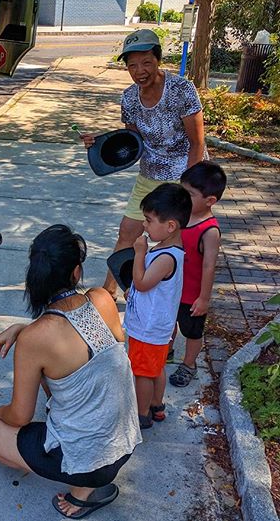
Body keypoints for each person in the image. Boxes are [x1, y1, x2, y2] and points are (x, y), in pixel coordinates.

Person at [0, 225, 141, 519]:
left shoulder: (36, 340)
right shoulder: (102, 299)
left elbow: (19, 416)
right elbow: (78, 343)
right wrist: (22, 329)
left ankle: (83, 488)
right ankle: (90, 480)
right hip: (125, 442)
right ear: (76, 272)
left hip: (91, 461)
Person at [81, 29, 205, 297]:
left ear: (158, 60)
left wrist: (189, 190)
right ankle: (109, 291)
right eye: (132, 65)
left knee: (174, 237)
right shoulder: (129, 98)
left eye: (146, 62)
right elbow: (133, 141)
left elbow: (197, 143)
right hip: (150, 172)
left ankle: (177, 295)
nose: (140, 71)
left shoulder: (181, 90)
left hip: (183, 171)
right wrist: (100, 142)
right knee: (128, 230)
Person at [123, 183, 191, 429]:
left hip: (148, 328)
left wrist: (139, 252)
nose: (144, 225)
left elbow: (142, 283)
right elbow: (148, 286)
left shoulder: (164, 257)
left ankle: (141, 415)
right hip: (159, 326)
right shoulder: (169, 250)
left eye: (149, 221)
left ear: (170, 225)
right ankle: (156, 405)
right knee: (155, 368)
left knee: (142, 372)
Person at [169, 161, 226, 387]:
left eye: (189, 194)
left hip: (192, 295)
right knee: (168, 322)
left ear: (210, 200)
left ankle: (189, 364)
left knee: (192, 331)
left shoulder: (209, 231)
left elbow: (208, 266)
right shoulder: (182, 215)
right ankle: (167, 349)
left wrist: (203, 298)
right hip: (172, 287)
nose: (183, 197)